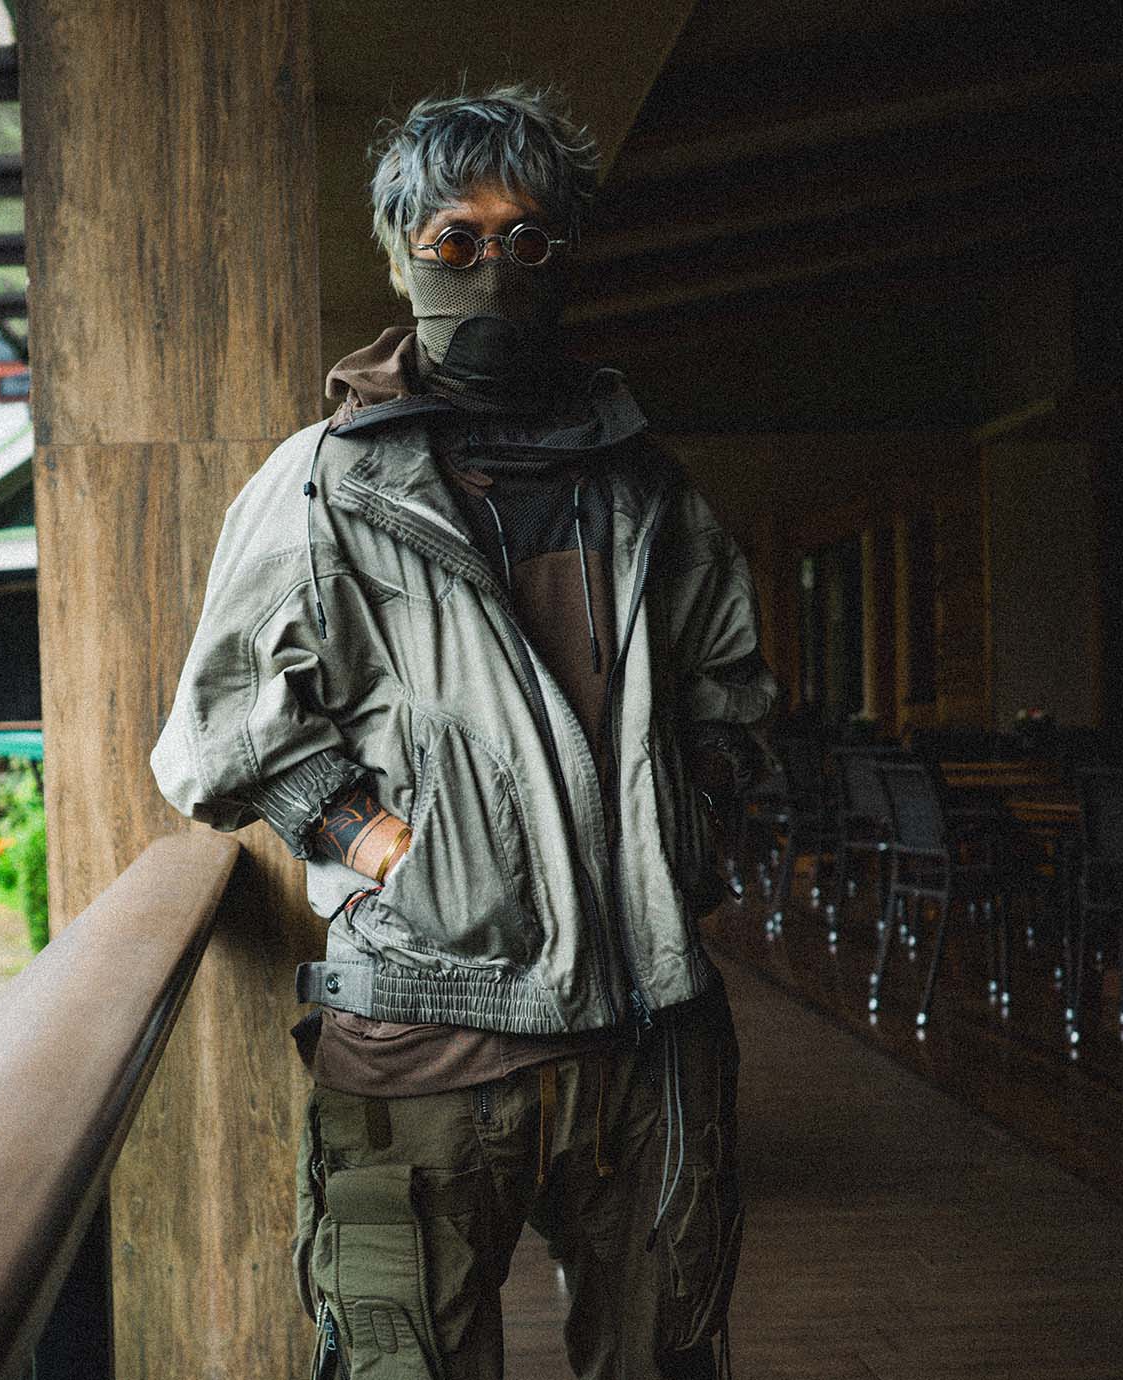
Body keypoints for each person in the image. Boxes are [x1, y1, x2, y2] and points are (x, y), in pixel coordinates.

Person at [151, 82, 776, 1380]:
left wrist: (696, 822)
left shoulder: (646, 485)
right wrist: (393, 849)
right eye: (455, 241)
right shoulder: (325, 484)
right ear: (399, 255)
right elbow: (217, 738)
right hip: (423, 1042)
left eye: (528, 238)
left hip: (652, 1039)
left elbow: (731, 695)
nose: (495, 267)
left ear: (566, 257)